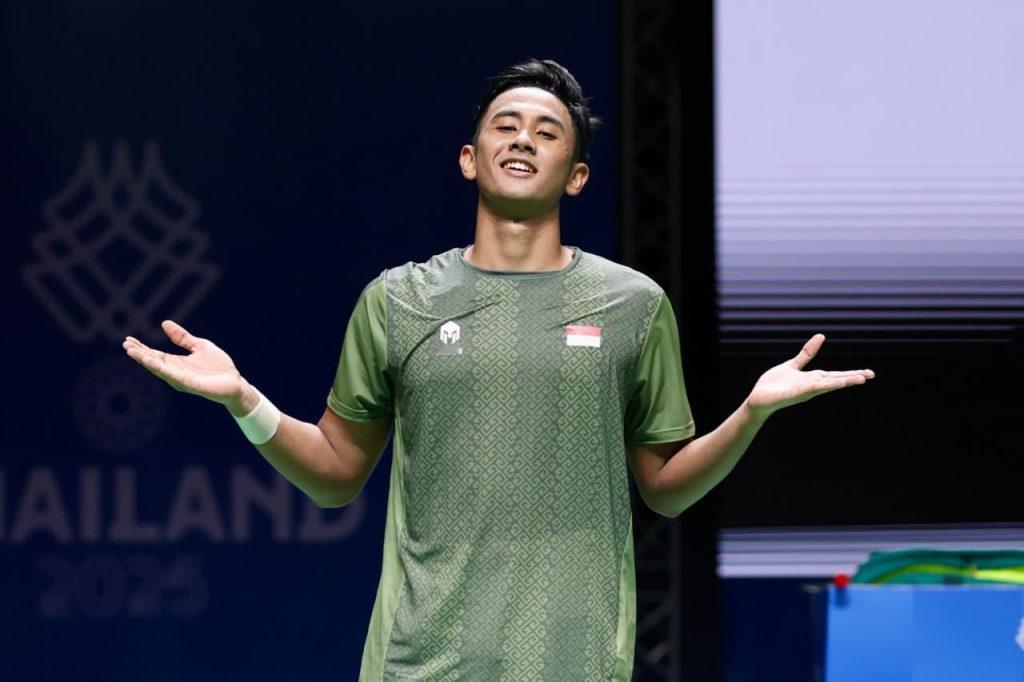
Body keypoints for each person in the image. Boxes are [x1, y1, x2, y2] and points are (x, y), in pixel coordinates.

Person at [122, 58, 875, 681]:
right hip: (419, 664)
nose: (523, 139)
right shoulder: (399, 299)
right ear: (470, 157)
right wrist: (243, 400)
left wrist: (750, 414)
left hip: (578, 663)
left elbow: (666, 488)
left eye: (547, 132)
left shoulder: (633, 305)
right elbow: (335, 473)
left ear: (576, 176)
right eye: (505, 125)